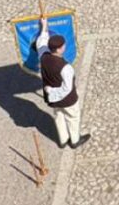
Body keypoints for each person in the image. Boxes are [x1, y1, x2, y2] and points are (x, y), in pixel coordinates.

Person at [35, 16, 90, 150]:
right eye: (63, 45)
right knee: (73, 117)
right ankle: (75, 140)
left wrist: (44, 27)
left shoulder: (43, 56)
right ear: (59, 49)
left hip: (52, 98)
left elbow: (41, 41)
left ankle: (63, 139)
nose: (65, 46)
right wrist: (52, 91)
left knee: (58, 116)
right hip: (66, 99)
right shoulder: (66, 67)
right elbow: (66, 88)